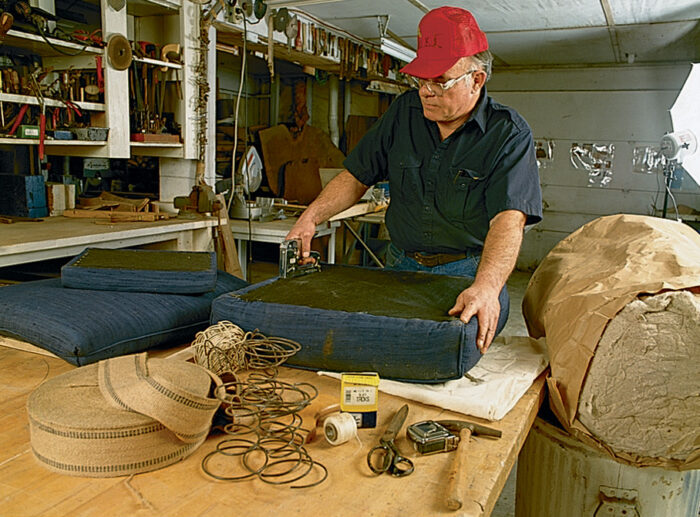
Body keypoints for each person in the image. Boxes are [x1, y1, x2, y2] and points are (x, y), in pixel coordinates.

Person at [286, 6, 542, 353]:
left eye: (439, 80)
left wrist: (486, 288)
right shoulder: (403, 113)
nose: (426, 91)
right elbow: (356, 176)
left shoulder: (508, 134)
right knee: (370, 345)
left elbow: (509, 219)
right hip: (400, 266)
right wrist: (310, 218)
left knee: (444, 353)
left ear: (476, 79)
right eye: (421, 79)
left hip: (466, 273)